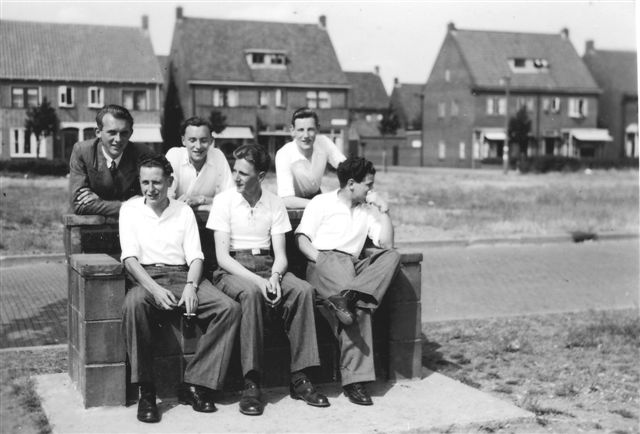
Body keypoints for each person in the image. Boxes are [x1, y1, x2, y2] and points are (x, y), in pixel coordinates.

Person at [207, 144, 329, 416]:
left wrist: (274, 276)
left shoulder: (274, 203)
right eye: (235, 171)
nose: (236, 177)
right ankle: (251, 383)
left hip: (267, 265)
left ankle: (300, 377)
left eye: (243, 173)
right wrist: (259, 282)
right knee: (251, 294)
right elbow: (222, 257)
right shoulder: (224, 201)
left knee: (303, 291)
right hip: (233, 269)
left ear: (260, 176)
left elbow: (281, 256)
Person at [119, 154, 240, 423]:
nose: (151, 189)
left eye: (157, 182)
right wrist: (154, 289)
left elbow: (195, 257)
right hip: (147, 277)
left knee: (229, 309)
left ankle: (195, 384)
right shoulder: (129, 209)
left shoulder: (183, 211)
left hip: (182, 275)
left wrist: (190, 287)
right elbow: (129, 260)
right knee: (133, 304)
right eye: (145, 182)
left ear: (170, 182)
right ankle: (146, 391)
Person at [295, 155, 400, 406]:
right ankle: (355, 382)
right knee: (358, 309)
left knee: (392, 257)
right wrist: (321, 260)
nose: (371, 190)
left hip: (352, 266)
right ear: (351, 183)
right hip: (325, 260)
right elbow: (301, 239)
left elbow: (387, 244)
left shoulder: (368, 210)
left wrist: (384, 210)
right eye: (368, 185)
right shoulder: (321, 202)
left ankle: (349, 295)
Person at [69, 104, 154, 216]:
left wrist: (99, 202)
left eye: (124, 133)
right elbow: (79, 204)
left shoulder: (143, 153)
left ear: (131, 133)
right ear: (98, 132)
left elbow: (151, 202)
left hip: (133, 224)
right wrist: (127, 205)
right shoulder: (82, 152)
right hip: (93, 226)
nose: (118, 139)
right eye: (112, 133)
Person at [275, 108, 345, 208]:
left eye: (310, 129)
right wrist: (321, 205)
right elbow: (286, 199)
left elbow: (346, 167)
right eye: (300, 130)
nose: (306, 135)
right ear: (292, 131)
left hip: (317, 197)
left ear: (317, 129)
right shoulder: (283, 154)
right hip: (294, 205)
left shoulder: (324, 142)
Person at [166, 117, 234, 210]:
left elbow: (230, 199)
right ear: (183, 140)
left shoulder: (218, 156)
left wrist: (200, 200)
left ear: (211, 141)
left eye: (204, 140)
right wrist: (208, 205)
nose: (198, 146)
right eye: (192, 140)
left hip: (209, 218)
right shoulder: (174, 155)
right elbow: (165, 199)